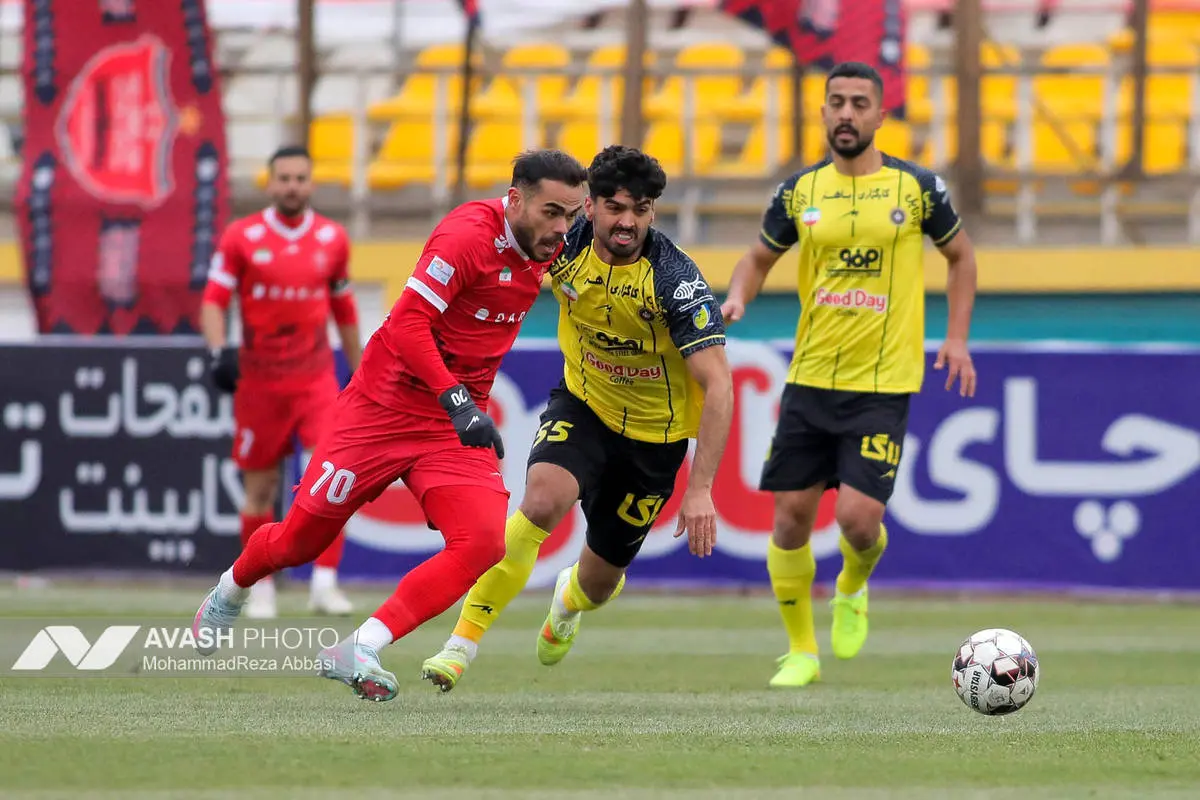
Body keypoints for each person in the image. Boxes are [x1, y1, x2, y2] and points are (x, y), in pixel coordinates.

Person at [192, 149, 588, 702]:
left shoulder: (561, 242)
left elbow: (621, 241)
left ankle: (360, 647)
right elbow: (406, 324)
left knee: (481, 543)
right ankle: (232, 588)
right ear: (515, 200)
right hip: (383, 407)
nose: (562, 228)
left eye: (572, 214)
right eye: (552, 212)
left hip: (450, 424)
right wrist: (457, 399)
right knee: (299, 541)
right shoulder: (467, 236)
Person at [421, 145, 734, 692]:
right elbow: (500, 243)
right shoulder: (564, 243)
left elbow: (720, 385)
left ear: (653, 212)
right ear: (589, 206)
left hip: (654, 440)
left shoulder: (676, 281)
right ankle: (459, 646)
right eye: (615, 207)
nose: (627, 221)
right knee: (541, 502)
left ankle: (567, 602)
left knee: (598, 583)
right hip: (584, 403)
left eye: (641, 209)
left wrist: (701, 488)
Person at [720, 62, 979, 689]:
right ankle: (801, 651)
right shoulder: (799, 192)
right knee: (790, 519)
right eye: (836, 101)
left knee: (859, 522)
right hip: (811, 377)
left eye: (859, 103)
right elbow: (756, 258)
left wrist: (956, 339)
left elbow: (961, 257)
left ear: (880, 115)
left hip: (883, 383)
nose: (846, 113)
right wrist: (736, 297)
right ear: (823, 112)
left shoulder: (917, 189)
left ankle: (852, 586)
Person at [201, 145, 361, 619]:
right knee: (261, 487)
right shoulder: (241, 236)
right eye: (284, 178)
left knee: (332, 476)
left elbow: (345, 310)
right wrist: (218, 351)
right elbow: (213, 301)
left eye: (300, 178)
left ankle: (324, 584)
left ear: (311, 184)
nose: (292, 186)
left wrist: (362, 372)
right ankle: (260, 588)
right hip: (260, 382)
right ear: (270, 183)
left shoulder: (332, 238)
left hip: (314, 378)